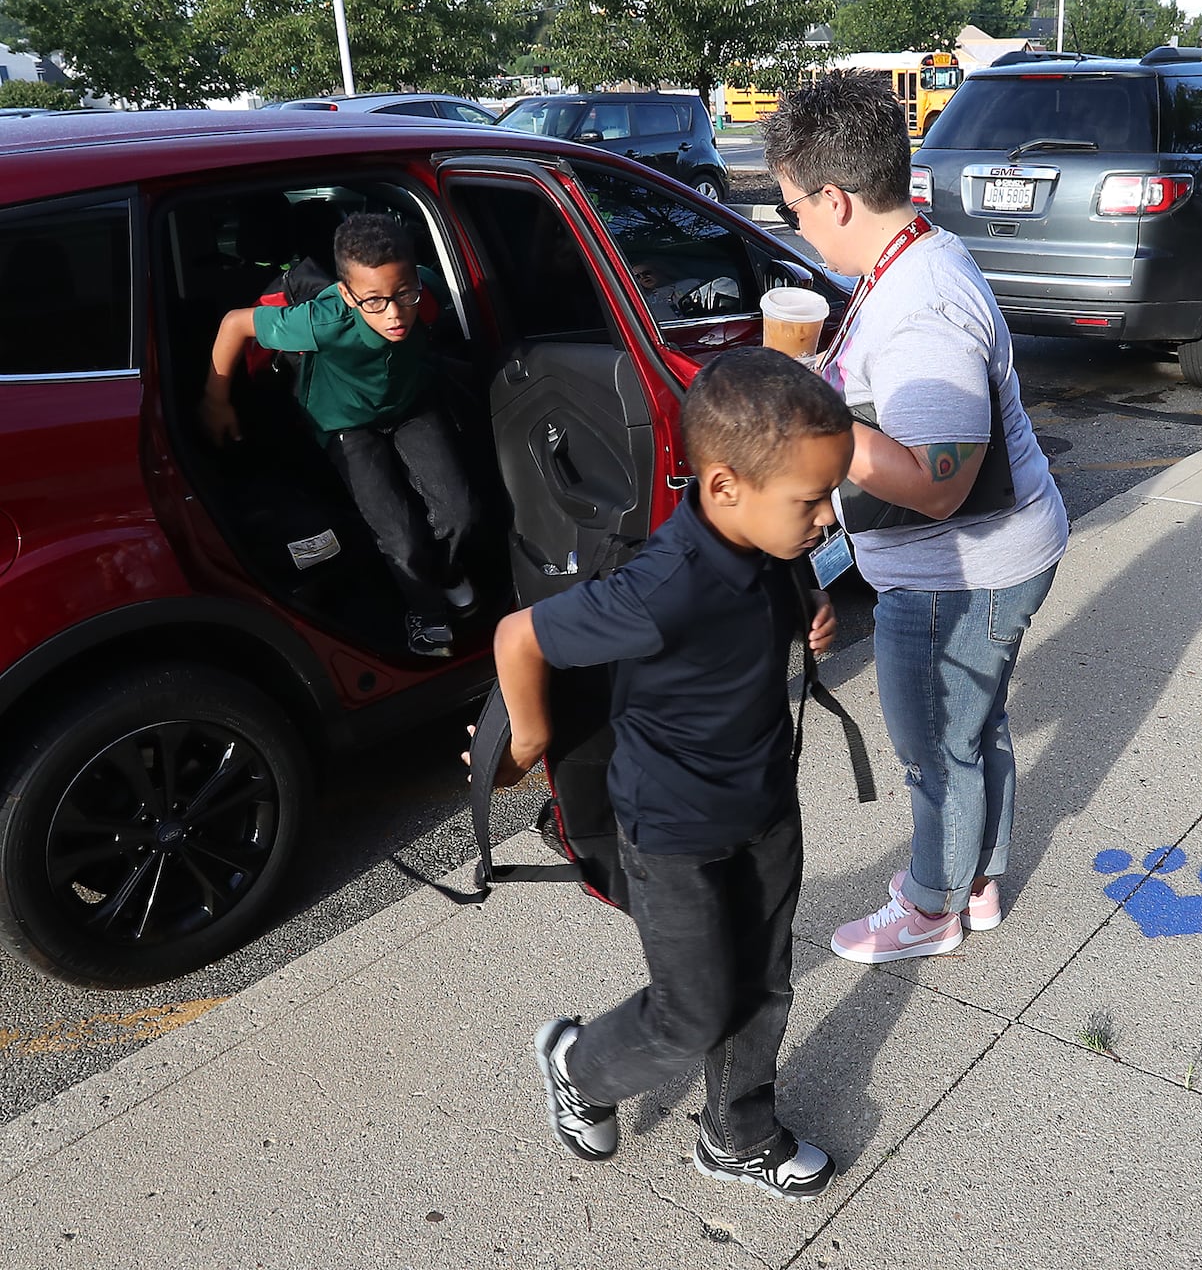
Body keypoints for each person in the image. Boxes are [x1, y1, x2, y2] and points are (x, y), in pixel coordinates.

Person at [483, 348, 852, 1203]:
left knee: (762, 983)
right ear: (724, 488)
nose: (829, 518)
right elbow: (520, 638)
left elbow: (779, 582)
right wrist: (529, 737)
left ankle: (738, 1134)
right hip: (675, 833)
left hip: (764, 805)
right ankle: (578, 1065)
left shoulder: (767, 538)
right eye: (812, 499)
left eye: (830, 495)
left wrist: (811, 607)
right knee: (691, 1014)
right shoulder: (663, 585)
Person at [763, 71, 1071, 965]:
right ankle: (977, 880)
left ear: (836, 197)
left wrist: (809, 416)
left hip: (957, 573)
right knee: (977, 728)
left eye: (794, 207)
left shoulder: (922, 305)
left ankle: (930, 905)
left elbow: (938, 481)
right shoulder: (911, 258)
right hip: (989, 558)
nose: (796, 225)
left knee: (938, 749)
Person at [201, 212, 478, 657]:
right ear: (348, 295)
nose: (394, 314)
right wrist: (216, 401)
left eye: (403, 294)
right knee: (399, 535)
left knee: (460, 511)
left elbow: (422, 301)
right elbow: (234, 323)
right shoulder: (322, 320)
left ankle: (445, 573)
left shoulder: (422, 292)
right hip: (345, 422)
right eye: (374, 300)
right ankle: (425, 613)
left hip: (410, 405)